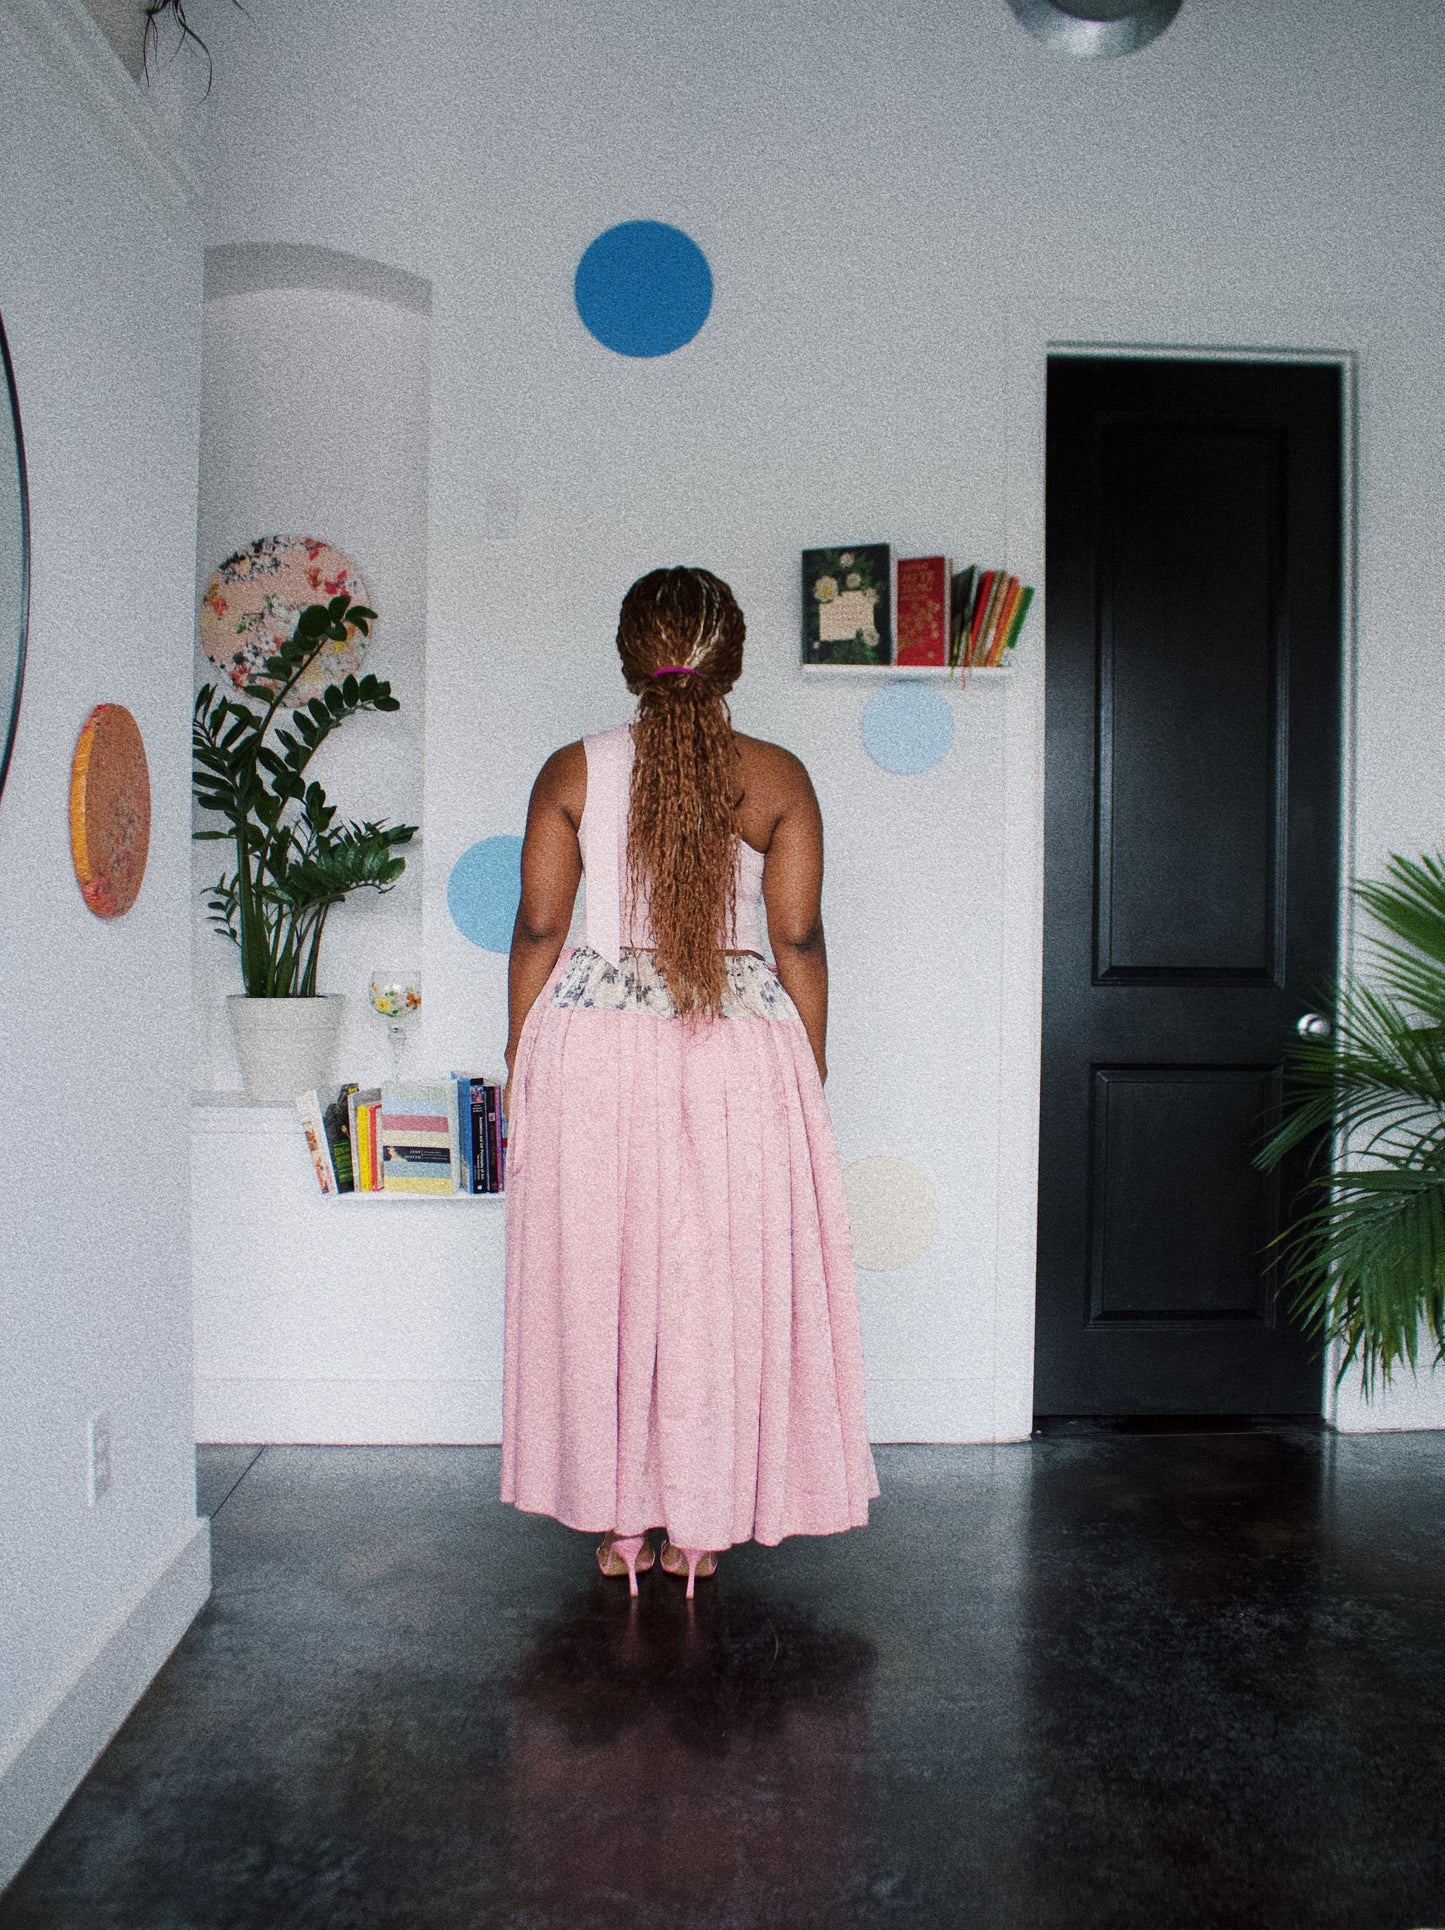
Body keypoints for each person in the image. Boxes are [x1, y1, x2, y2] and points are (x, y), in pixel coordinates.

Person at [500, 566, 878, 1596]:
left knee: (604, 1281)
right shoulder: (778, 777)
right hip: (737, 1051)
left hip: (592, 1047)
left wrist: (519, 1058)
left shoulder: (572, 770)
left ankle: (623, 1524)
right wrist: (809, 1070)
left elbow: (540, 927)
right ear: (733, 658)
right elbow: (796, 938)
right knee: (714, 1289)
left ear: (629, 657)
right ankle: (702, 1528)